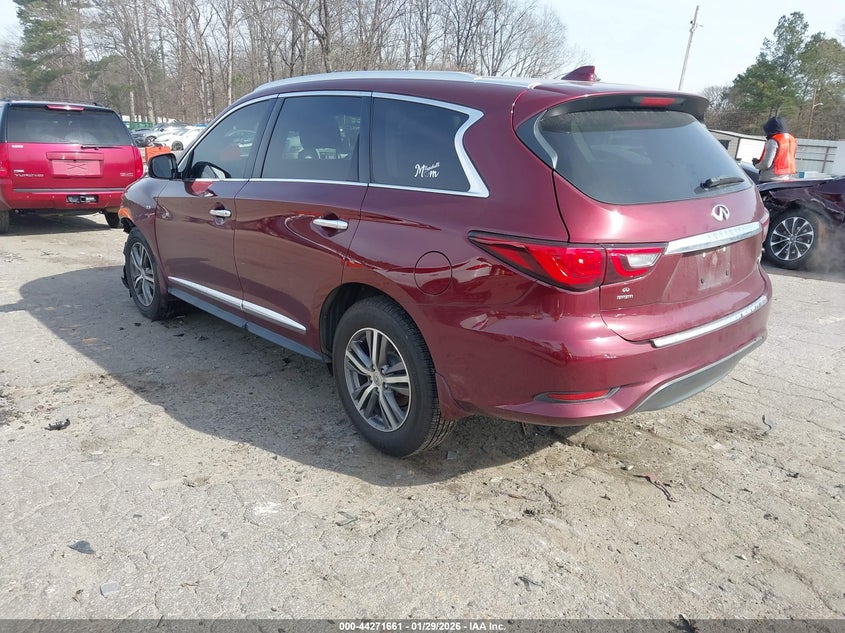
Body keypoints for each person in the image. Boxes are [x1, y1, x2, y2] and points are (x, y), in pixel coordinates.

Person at [752, 116, 797, 182]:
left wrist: (756, 165)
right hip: (786, 179)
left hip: (770, 180)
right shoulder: (792, 140)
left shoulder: (774, 141)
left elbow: (766, 165)